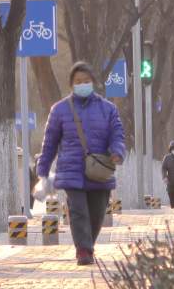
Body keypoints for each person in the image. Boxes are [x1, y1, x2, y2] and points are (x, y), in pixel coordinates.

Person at [35, 61, 126, 266]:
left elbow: (117, 134)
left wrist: (117, 152)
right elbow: (49, 143)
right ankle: (83, 250)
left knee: (96, 215)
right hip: (71, 171)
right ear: (71, 85)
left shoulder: (108, 109)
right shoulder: (59, 110)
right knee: (78, 212)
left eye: (86, 81)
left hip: (100, 170)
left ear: (93, 82)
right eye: (78, 82)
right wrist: (42, 170)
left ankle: (87, 246)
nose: (82, 84)